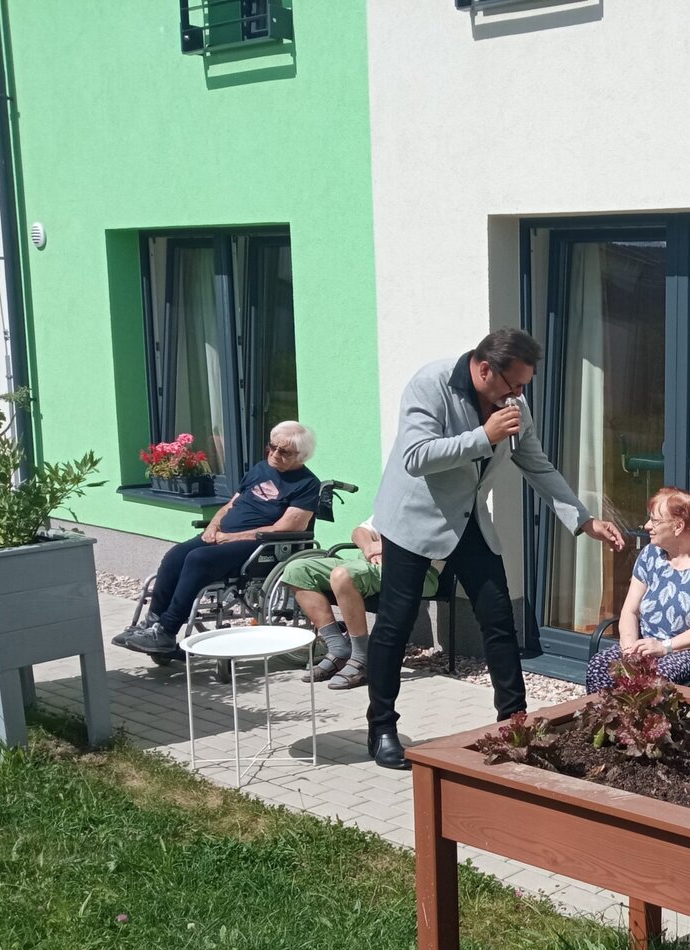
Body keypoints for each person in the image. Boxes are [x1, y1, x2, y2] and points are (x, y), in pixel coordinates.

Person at [365, 328, 625, 770]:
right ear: (485, 369)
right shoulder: (431, 384)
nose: (520, 395)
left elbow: (535, 462)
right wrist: (484, 436)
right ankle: (382, 728)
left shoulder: (512, 403)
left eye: (525, 385)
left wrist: (584, 520)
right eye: (515, 384)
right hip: (412, 518)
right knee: (395, 623)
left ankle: (515, 725)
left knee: (499, 618)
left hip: (468, 519)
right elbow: (416, 457)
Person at [118, 423, 320, 656]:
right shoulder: (260, 469)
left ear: (301, 455)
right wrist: (213, 526)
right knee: (175, 555)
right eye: (272, 447)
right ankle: (151, 624)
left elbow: (286, 527)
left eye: (284, 452)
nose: (274, 454)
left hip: (261, 545)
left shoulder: (307, 484)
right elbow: (231, 504)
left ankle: (166, 630)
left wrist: (232, 537)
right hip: (223, 536)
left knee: (198, 559)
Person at [585, 487, 690, 691]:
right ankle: (611, 712)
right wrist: (629, 649)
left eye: (655, 521)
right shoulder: (651, 554)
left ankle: (643, 713)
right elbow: (630, 610)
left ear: (678, 526)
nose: (647, 526)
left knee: (656, 676)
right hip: (647, 647)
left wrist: (665, 647)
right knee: (600, 666)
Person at [277, 518, 441, 691]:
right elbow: (360, 531)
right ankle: (338, 649)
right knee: (297, 570)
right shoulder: (393, 505)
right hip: (368, 562)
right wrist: (370, 548)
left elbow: (434, 543)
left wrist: (387, 548)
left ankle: (362, 658)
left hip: (414, 571)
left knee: (343, 576)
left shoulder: (435, 509)